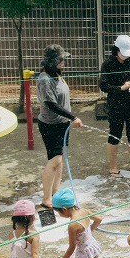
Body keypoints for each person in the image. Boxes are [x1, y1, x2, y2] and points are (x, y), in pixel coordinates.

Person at [36, 44, 82, 209]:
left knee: (60, 159)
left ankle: (56, 191)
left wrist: (69, 118)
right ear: (52, 61)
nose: (63, 61)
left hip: (62, 124)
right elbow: (51, 104)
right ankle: (46, 198)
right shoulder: (44, 79)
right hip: (51, 125)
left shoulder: (57, 75)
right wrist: (73, 116)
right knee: (54, 160)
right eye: (60, 59)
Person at [99, 35, 130, 176]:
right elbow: (103, 85)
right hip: (116, 104)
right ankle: (113, 166)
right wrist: (121, 88)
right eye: (123, 52)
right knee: (115, 134)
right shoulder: (108, 64)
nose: (126, 56)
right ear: (116, 50)